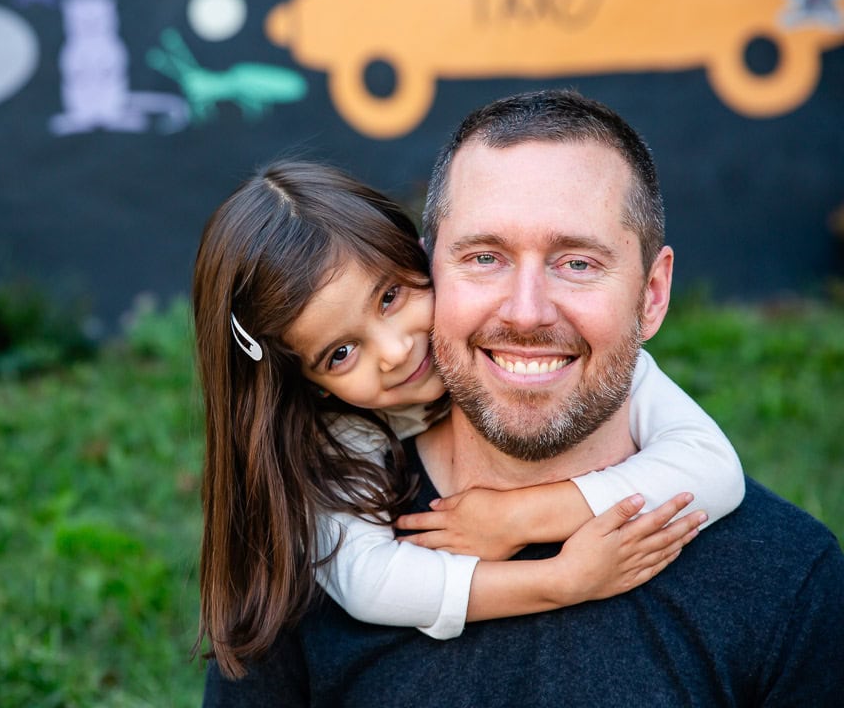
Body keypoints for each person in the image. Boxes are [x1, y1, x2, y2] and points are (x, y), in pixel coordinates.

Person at [202, 90, 844, 705]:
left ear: (651, 295)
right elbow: (372, 586)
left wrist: (516, 519)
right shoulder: (306, 531)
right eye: (485, 257)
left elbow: (711, 470)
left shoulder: (789, 585)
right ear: (437, 267)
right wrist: (558, 580)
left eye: (578, 263)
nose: (528, 312)